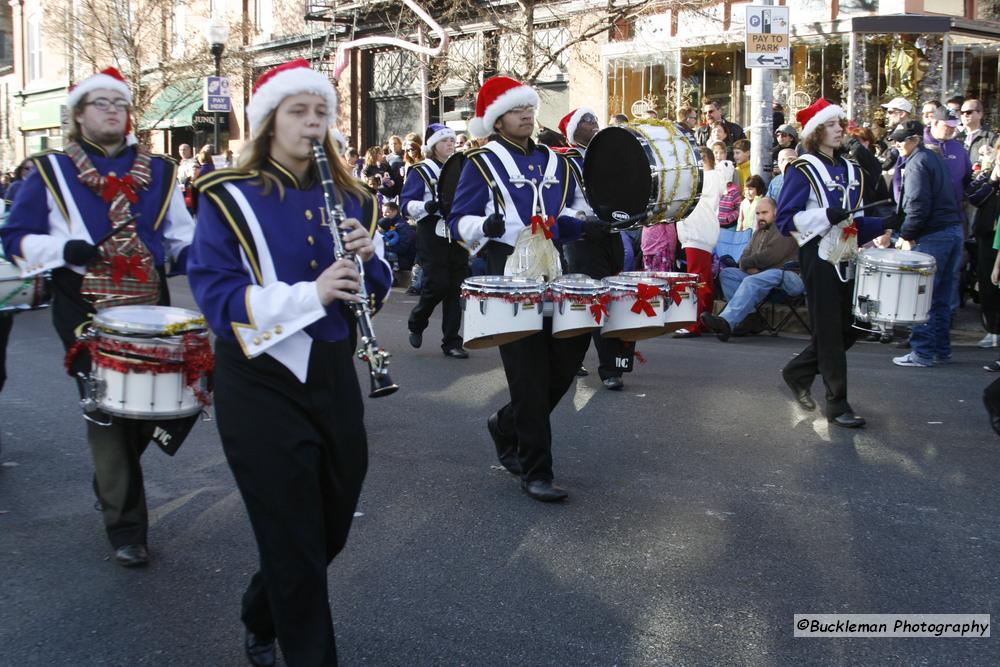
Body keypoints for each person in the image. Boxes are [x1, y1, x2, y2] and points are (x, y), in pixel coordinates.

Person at [188, 59, 392, 667]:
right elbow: (217, 298)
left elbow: (372, 287)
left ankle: (262, 606)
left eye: (320, 112)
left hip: (330, 369)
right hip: (257, 378)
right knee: (292, 532)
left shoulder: (354, 196)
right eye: (297, 112)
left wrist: (368, 263)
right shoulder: (227, 197)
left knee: (331, 521)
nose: (311, 124)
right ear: (268, 120)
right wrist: (312, 295)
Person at [0, 67, 194, 564]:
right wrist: (63, 247)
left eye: (118, 103)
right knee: (107, 405)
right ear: (79, 115)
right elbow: (15, 237)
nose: (112, 110)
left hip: (150, 301)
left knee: (159, 406)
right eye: (100, 103)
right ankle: (126, 527)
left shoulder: (162, 171)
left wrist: (214, 263)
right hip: (83, 302)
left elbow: (181, 235)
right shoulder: (49, 171)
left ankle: (110, 477)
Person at [448, 75, 590, 502]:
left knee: (565, 363)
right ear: (496, 120)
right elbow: (458, 219)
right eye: (516, 110)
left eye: (528, 108)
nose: (527, 115)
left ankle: (506, 424)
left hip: (555, 270)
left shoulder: (557, 160)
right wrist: (483, 225)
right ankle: (536, 470)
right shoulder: (479, 163)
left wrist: (575, 223)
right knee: (528, 375)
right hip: (507, 274)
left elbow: (579, 207)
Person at [775, 98, 891, 428]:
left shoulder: (851, 169)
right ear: (815, 132)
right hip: (819, 256)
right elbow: (786, 220)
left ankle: (798, 372)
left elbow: (854, 221)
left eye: (841, 123)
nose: (840, 128)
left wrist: (886, 223)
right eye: (831, 124)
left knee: (852, 326)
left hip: (848, 254)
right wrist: (824, 215)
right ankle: (836, 404)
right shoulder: (802, 168)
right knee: (828, 330)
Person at [559, 106, 631, 390]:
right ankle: (610, 368)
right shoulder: (565, 163)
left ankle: (571, 358)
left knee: (603, 298)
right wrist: (581, 221)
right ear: (573, 130)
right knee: (598, 298)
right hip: (582, 239)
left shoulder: (603, 159)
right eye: (586, 121)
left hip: (609, 235)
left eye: (594, 119)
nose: (594, 124)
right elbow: (557, 205)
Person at [887, 120, 965, 368]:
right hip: (951, 230)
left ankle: (922, 352)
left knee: (923, 297)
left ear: (916, 139)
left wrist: (907, 235)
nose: (897, 143)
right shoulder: (931, 158)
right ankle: (940, 350)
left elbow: (918, 204)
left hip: (934, 235)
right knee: (941, 297)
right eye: (896, 139)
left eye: (902, 139)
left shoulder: (918, 162)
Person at [402, 123, 470, 358]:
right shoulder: (420, 170)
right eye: (445, 140)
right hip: (431, 230)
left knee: (456, 287)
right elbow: (406, 204)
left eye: (452, 140)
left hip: (456, 229)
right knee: (437, 284)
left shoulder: (461, 168)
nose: (450, 143)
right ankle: (417, 320)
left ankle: (452, 341)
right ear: (433, 146)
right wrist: (427, 206)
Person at [701, 197, 802, 341]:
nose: (760, 217)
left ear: (776, 212)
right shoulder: (758, 233)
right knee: (728, 274)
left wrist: (752, 267)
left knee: (754, 279)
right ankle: (750, 319)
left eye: (765, 213)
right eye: (758, 213)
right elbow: (743, 258)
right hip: (764, 278)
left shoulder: (783, 229)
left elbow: (770, 256)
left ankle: (726, 321)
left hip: (790, 277)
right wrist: (747, 266)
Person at [672, 148, 729, 339]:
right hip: (699, 231)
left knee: (697, 279)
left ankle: (694, 324)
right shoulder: (712, 178)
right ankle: (703, 319)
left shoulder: (706, 178)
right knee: (703, 278)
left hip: (697, 231)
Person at [968, 138, 1000, 349]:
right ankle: (993, 329)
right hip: (987, 235)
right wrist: (992, 179)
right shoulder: (990, 175)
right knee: (987, 282)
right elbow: (972, 196)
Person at [961, 99, 997, 166]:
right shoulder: (956, 136)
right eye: (962, 112)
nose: (965, 115)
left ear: (980, 114)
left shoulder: (991, 137)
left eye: (969, 112)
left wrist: (992, 154)